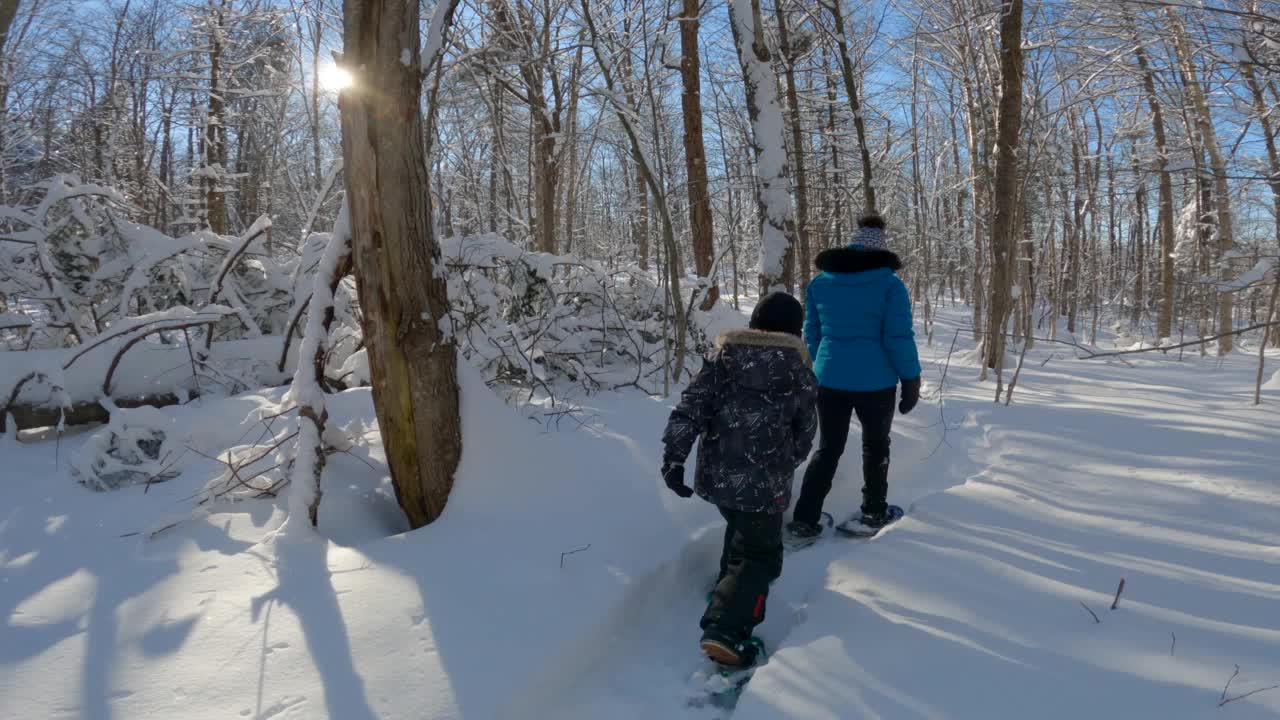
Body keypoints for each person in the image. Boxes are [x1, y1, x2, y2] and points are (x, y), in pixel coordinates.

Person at [661, 292, 818, 667]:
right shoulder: (799, 371)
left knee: (741, 532)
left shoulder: (722, 360)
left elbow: (690, 408)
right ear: (796, 330)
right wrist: (787, 463)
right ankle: (726, 630)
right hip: (765, 483)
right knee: (760, 556)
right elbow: (806, 430)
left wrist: (674, 457)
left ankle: (727, 590)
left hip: (719, 479)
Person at [787, 213, 921, 539]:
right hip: (876, 383)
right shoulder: (890, 285)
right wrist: (911, 379)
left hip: (830, 380)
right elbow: (897, 337)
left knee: (828, 448)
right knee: (876, 447)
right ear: (881, 250)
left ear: (852, 245)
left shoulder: (821, 283)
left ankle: (805, 520)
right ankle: (873, 512)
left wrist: (821, 365)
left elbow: (812, 332)